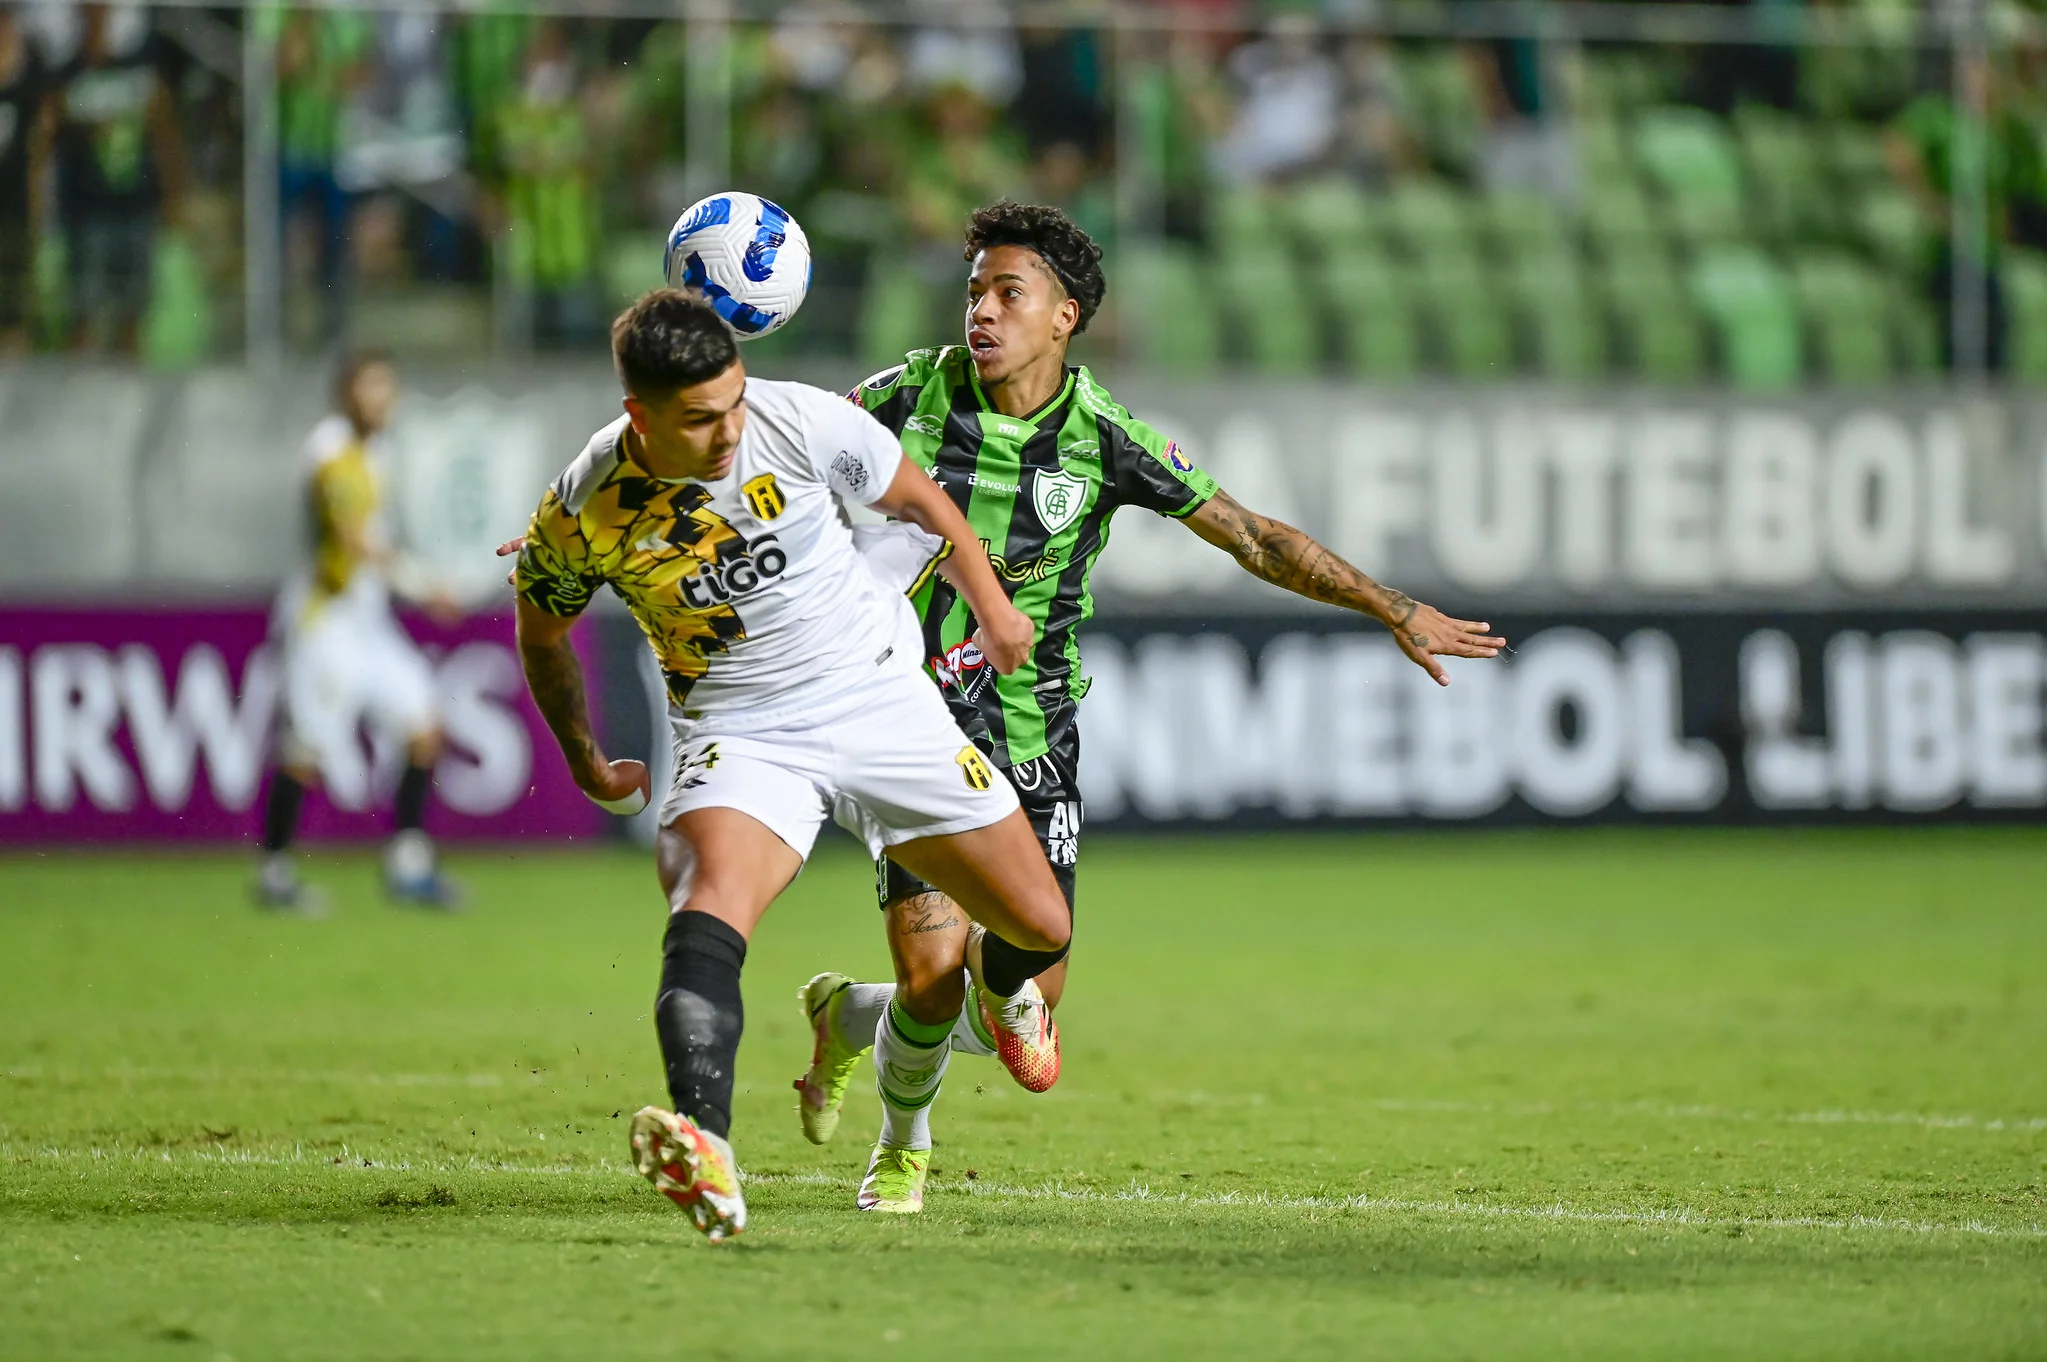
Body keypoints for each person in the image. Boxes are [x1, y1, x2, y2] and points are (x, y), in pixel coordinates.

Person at [792, 202, 1505, 1213]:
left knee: (1019, 999)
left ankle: (852, 1019)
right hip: (909, 724)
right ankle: (901, 1153)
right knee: (936, 976)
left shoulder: (1104, 438)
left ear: (1064, 317)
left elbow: (1252, 537)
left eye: (1009, 294)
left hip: (1034, 733)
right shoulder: (905, 395)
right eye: (974, 293)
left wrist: (1388, 605)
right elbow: (776, 455)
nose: (981, 315)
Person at [510, 289, 1076, 1238]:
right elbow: (542, 633)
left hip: (882, 702)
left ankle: (863, 1012)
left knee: (1041, 927)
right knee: (706, 906)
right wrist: (585, 760)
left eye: (733, 401)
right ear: (637, 414)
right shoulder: (586, 505)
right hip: (742, 734)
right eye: (700, 419)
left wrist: (992, 607)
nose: (730, 430)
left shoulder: (795, 417)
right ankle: (706, 1149)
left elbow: (920, 501)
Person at [257, 354, 463, 915]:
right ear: (347, 395)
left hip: (368, 621)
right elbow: (352, 538)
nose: (382, 400)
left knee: (424, 728)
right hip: (326, 621)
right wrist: (421, 585)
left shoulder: (377, 451)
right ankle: (274, 874)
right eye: (370, 389)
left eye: (386, 389)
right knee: (306, 752)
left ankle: (408, 866)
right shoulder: (331, 452)